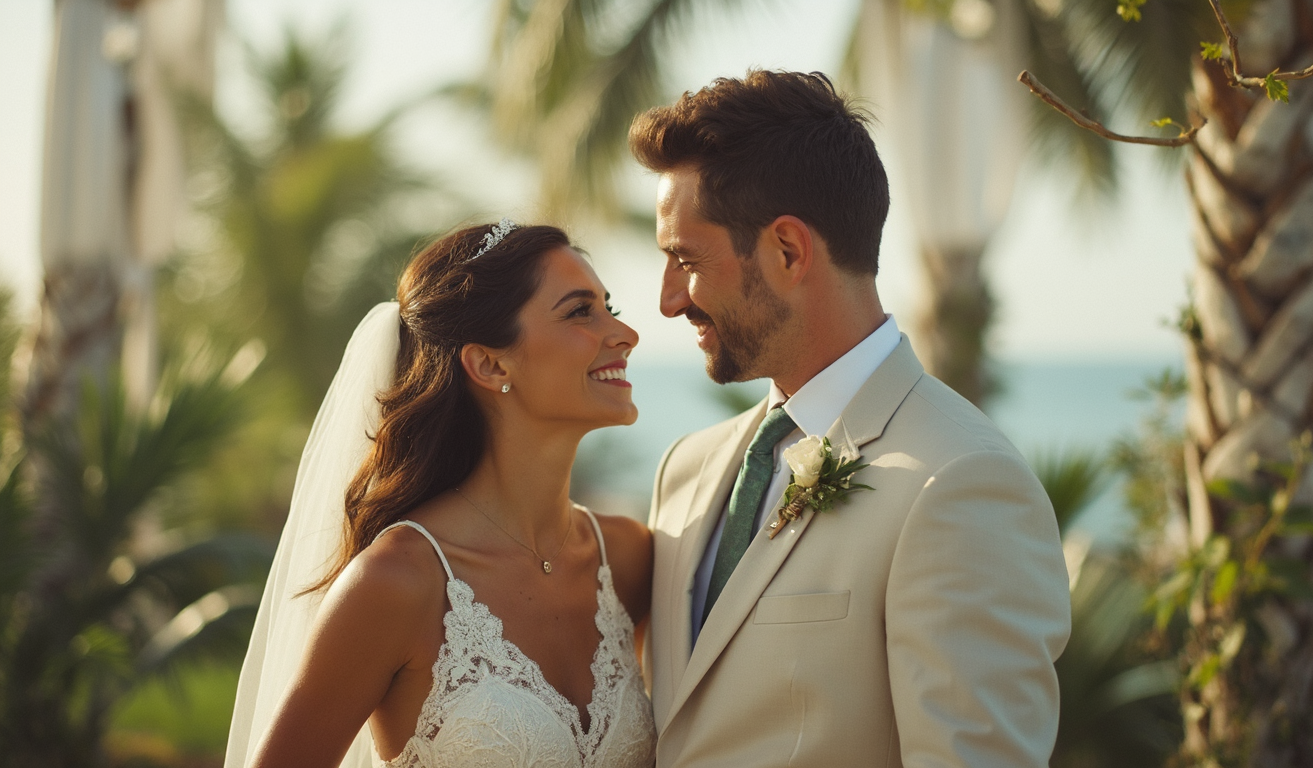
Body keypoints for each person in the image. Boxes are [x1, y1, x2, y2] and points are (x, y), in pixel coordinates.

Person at [631, 70, 1072, 767]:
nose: (666, 301)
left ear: (787, 251)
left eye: (684, 260)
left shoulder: (961, 485)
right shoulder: (684, 470)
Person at [224, 222, 657, 768]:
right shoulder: (398, 582)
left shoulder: (627, 557)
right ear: (490, 364)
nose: (625, 333)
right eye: (579, 312)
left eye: (607, 305)